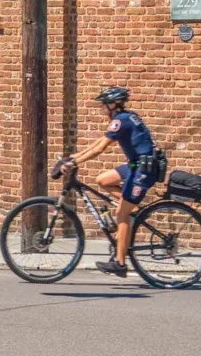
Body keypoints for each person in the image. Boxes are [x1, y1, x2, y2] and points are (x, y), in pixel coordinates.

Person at [60, 86, 158, 278]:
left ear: (114, 104)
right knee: (103, 180)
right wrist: (74, 157)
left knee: (121, 214)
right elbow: (98, 142)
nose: (102, 109)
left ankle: (120, 263)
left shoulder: (121, 121)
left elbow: (99, 150)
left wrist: (74, 163)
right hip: (135, 165)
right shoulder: (125, 117)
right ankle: (132, 207)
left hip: (144, 170)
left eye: (104, 105)